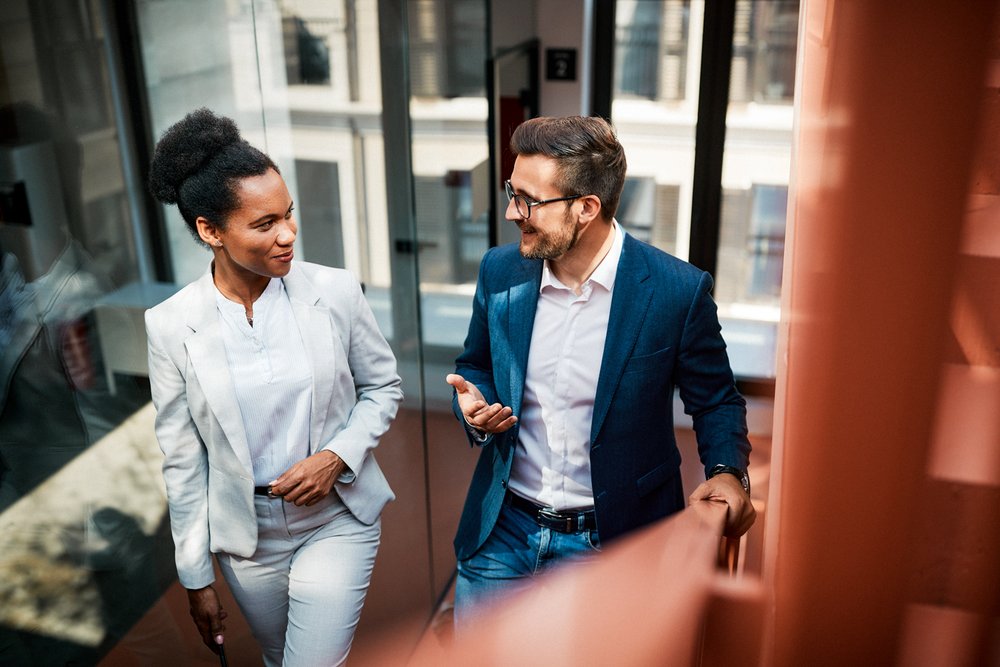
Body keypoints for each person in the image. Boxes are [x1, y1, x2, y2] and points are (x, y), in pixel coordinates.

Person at [446, 115, 756, 625]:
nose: (510, 211)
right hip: (502, 532)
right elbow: (474, 362)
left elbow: (717, 400)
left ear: (587, 208)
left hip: (615, 542)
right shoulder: (499, 271)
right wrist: (473, 404)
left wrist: (726, 472)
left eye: (528, 199)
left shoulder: (677, 292)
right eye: (511, 191)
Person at [144, 108, 401, 666]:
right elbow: (183, 460)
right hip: (248, 540)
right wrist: (196, 577)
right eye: (264, 224)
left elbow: (383, 387)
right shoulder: (170, 325)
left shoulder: (333, 292)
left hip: (337, 518)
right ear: (210, 230)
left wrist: (337, 455)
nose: (288, 234)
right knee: (276, 656)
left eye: (288, 214)